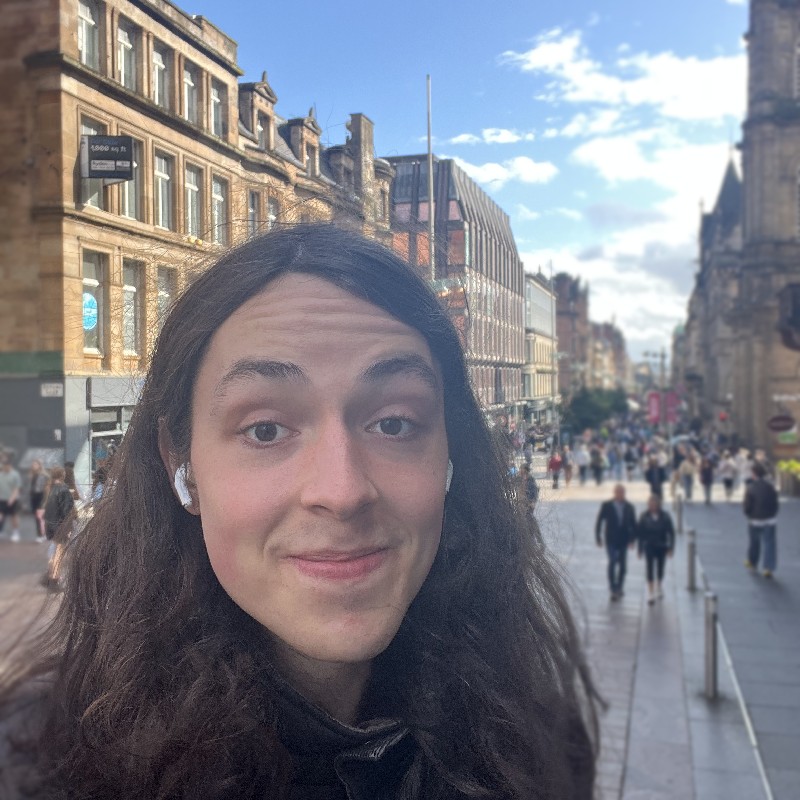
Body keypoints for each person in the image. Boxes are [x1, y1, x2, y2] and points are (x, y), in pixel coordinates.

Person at [0, 224, 596, 799]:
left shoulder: (535, 742)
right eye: (265, 429)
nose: (342, 491)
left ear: (451, 451)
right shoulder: (37, 765)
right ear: (181, 461)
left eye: (394, 423)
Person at [595, 484, 637, 601]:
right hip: (611, 539)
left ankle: (619, 586)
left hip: (624, 539)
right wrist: (598, 537)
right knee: (613, 561)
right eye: (618, 492)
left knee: (623, 566)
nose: (620, 494)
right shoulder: (607, 505)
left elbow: (634, 524)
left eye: (622, 492)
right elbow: (599, 521)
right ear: (615, 493)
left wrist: (632, 540)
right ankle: (613, 588)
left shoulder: (629, 507)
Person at [636, 495, 675, 605]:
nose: (652, 506)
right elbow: (640, 534)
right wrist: (640, 549)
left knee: (660, 568)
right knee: (649, 568)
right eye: (650, 504)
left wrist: (671, 547)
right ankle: (650, 592)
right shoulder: (644, 516)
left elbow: (671, 533)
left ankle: (659, 585)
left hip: (662, 546)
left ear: (658, 505)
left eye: (654, 504)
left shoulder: (665, 516)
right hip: (649, 545)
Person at [41, 466, 75, 590]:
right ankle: (54, 579)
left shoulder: (50, 488)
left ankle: (49, 576)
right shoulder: (64, 490)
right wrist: (69, 528)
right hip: (60, 525)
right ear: (62, 475)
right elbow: (66, 511)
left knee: (55, 550)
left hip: (50, 524)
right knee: (60, 552)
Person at [743, 461, 780, 578]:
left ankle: (752, 562)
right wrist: (773, 514)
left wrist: (748, 514)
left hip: (755, 519)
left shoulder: (751, 487)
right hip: (770, 519)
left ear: (754, 473)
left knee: (754, 542)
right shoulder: (770, 486)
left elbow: (747, 505)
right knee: (769, 544)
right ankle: (768, 568)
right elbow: (775, 502)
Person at [0, 458, 22, 542]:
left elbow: (17, 488)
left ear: (9, 466)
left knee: (14, 516)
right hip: (2, 499)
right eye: (4, 466)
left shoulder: (15, 475)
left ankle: (16, 532)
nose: (5, 467)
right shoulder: (1, 474)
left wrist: (12, 499)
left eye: (6, 466)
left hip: (13, 500)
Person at [28, 460, 49, 542]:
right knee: (36, 517)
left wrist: (45, 499)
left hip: (41, 497)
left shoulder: (43, 476)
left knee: (40, 516)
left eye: (35, 464)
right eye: (33, 464)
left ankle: (41, 534)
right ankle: (41, 534)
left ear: (39, 465)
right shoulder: (32, 475)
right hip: (33, 497)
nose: (34, 466)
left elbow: (46, 489)